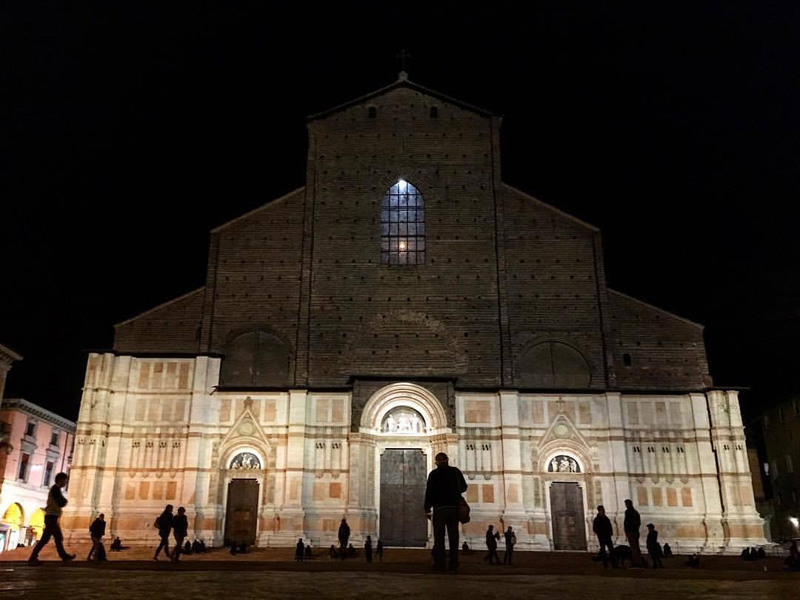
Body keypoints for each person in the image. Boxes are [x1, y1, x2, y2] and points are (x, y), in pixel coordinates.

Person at [424, 452, 468, 572]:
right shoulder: (455, 472)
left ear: (436, 463)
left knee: (439, 538)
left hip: (439, 509)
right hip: (453, 509)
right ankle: (454, 564)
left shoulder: (434, 474)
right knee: (454, 537)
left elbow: (429, 492)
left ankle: (440, 564)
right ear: (447, 460)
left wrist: (427, 508)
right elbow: (464, 487)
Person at [28, 472, 76, 566]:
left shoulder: (56, 489)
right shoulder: (55, 489)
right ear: (60, 480)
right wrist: (64, 501)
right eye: (65, 481)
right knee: (56, 537)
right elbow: (61, 502)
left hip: (52, 516)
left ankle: (33, 557)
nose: (65, 483)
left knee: (48, 539)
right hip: (51, 517)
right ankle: (63, 556)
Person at [623, 499, 645, 567]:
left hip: (631, 532)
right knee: (636, 547)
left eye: (626, 504)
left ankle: (636, 562)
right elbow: (638, 522)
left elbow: (626, 523)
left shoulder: (628, 512)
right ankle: (639, 561)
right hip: (635, 531)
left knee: (633, 548)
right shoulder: (635, 512)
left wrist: (627, 531)